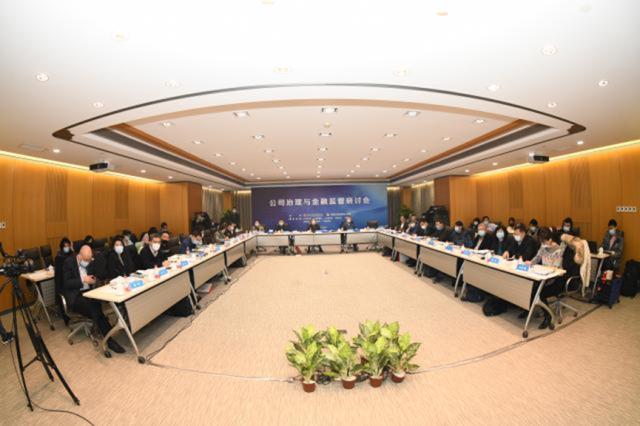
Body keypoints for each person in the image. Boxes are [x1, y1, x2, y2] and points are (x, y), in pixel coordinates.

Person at [63, 246, 125, 354]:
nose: (88, 262)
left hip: (89, 293)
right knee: (96, 309)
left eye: (90, 259)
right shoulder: (69, 263)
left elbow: (96, 275)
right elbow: (66, 283)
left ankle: (103, 330)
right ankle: (109, 340)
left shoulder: (90, 262)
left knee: (98, 305)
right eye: (86, 259)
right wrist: (82, 280)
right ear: (79, 256)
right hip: (76, 297)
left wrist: (95, 279)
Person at [527, 227, 566, 329]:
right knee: (531, 289)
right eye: (541, 241)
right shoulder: (543, 246)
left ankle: (548, 317)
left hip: (556, 280)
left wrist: (546, 272)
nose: (543, 244)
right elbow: (537, 257)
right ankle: (527, 310)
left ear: (550, 239)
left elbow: (556, 269)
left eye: (544, 241)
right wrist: (530, 262)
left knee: (539, 293)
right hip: (545, 278)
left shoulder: (558, 250)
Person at [54, 237, 75, 325]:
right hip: (64, 284)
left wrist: (73, 250)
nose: (67, 247)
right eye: (65, 246)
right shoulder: (59, 258)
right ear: (62, 247)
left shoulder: (72, 255)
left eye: (68, 246)